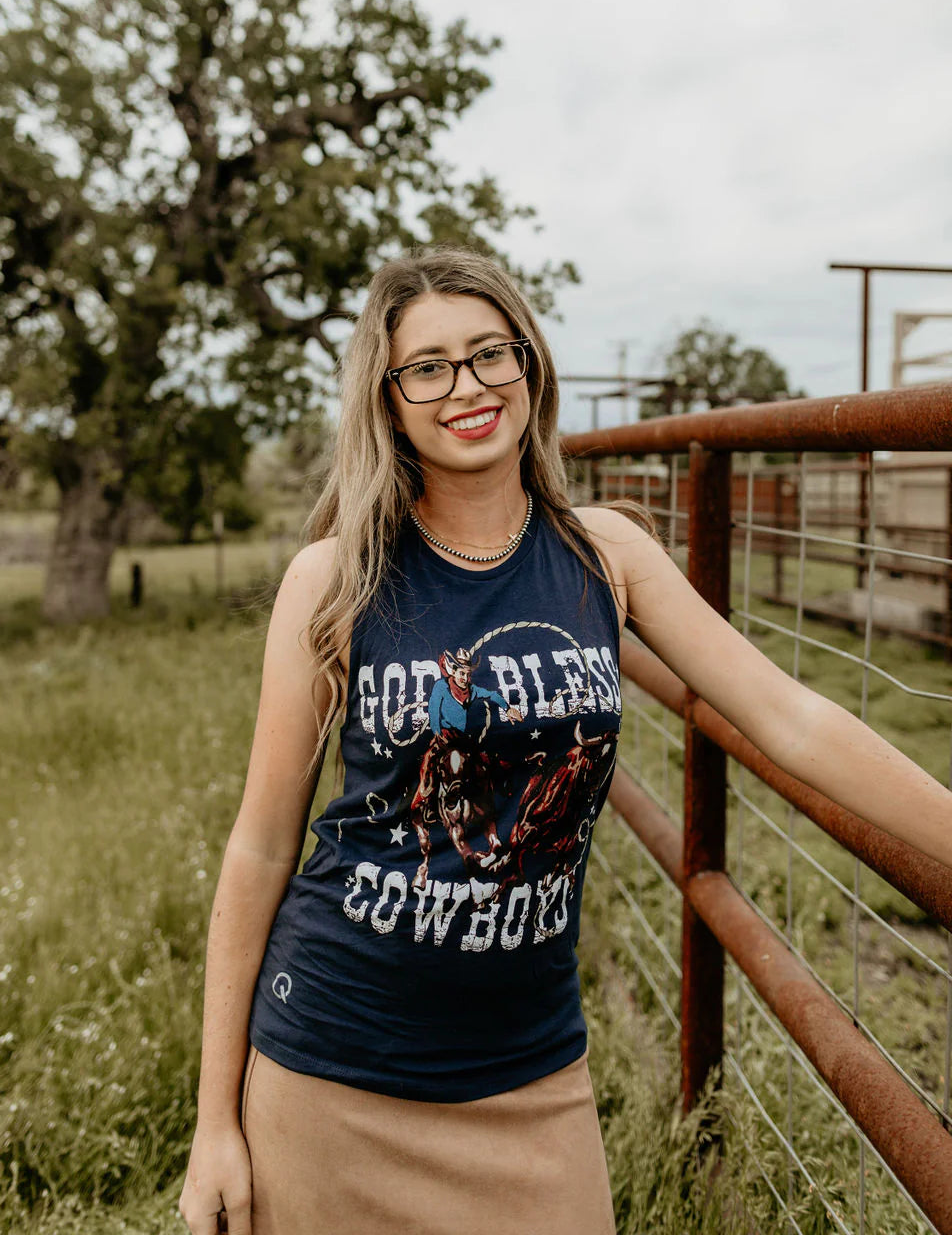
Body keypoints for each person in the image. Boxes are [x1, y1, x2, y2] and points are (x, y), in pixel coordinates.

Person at [177, 246, 952, 1235]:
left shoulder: (605, 555)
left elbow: (790, 720)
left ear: (530, 365)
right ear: (389, 397)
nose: (466, 386)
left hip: (530, 1075)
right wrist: (215, 1123)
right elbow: (260, 846)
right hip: (335, 1065)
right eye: (428, 366)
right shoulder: (334, 578)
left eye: (489, 353)